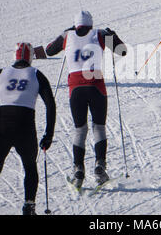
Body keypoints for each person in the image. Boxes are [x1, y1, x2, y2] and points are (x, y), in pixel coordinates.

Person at [0, 43, 56, 215]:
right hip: (25, 128)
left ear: (15, 56)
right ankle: (29, 206)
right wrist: (48, 134)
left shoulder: (1, 73)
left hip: (2, 128)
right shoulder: (36, 74)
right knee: (30, 167)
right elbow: (50, 105)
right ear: (30, 57)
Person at [45, 11, 127, 188]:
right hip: (96, 86)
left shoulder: (68, 35)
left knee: (80, 130)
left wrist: (64, 33)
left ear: (76, 25)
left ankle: (78, 170)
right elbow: (122, 51)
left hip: (76, 88)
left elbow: (49, 50)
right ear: (91, 24)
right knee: (99, 127)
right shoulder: (99, 34)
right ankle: (99, 165)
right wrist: (113, 35)